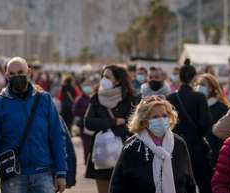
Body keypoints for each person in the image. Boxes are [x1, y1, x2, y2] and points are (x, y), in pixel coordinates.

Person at [0, 57, 67, 193]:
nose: (17, 76)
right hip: (13, 177)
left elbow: (57, 136)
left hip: (43, 174)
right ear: (6, 76)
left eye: (20, 72)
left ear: (29, 72)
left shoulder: (44, 99)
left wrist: (61, 171)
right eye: (12, 74)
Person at [108, 96, 196, 193]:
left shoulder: (179, 143)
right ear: (144, 120)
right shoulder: (132, 146)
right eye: (155, 117)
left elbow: (189, 184)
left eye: (164, 115)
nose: (161, 120)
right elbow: (117, 187)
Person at [85, 65, 139, 193]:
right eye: (103, 76)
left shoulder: (131, 99)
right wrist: (113, 121)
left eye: (108, 77)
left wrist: (118, 129)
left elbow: (135, 124)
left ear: (118, 80)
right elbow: (88, 122)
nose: (104, 79)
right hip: (102, 152)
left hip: (124, 153)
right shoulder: (96, 98)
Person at [167, 60, 213, 193]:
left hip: (174, 147)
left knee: (179, 185)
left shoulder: (170, 97)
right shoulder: (199, 97)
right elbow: (206, 126)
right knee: (204, 184)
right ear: (194, 78)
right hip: (196, 148)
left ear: (179, 77)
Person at [194, 73, 230, 165]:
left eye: (202, 85)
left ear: (211, 88)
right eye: (197, 84)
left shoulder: (222, 108)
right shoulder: (194, 106)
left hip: (214, 152)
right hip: (196, 151)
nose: (198, 87)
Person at [73, 78, 95, 162]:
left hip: (93, 124)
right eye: (86, 86)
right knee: (86, 145)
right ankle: (86, 161)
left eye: (89, 86)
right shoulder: (79, 99)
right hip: (83, 125)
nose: (88, 88)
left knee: (93, 145)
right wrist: (85, 111)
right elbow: (74, 111)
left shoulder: (94, 98)